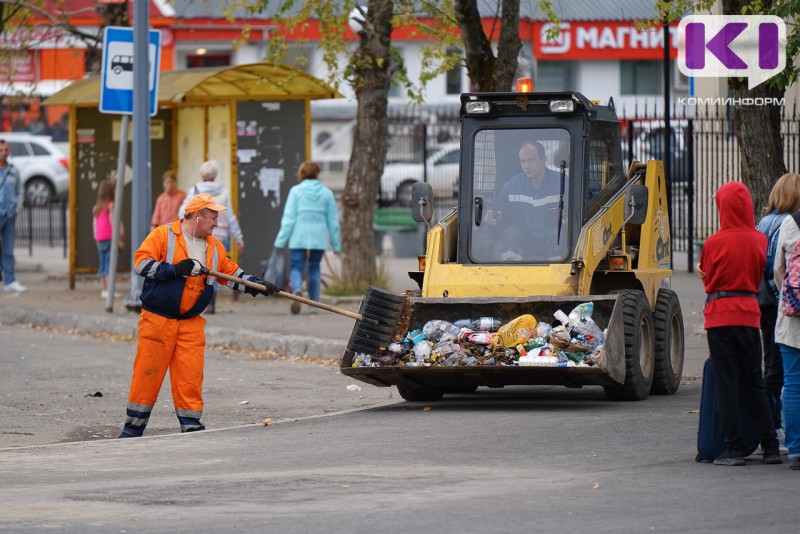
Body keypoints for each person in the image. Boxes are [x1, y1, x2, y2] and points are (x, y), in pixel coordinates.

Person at [118, 193, 277, 438]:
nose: (217, 223)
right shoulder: (164, 235)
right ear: (197, 216)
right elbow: (140, 264)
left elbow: (230, 273)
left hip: (190, 323)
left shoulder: (213, 247)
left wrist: (259, 285)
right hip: (157, 321)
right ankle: (132, 429)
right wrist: (172, 270)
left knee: (190, 378)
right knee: (147, 375)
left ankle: (191, 426)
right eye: (213, 218)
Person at [697, 181, 781, 466]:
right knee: (754, 382)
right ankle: (770, 446)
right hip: (749, 313)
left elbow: (709, 280)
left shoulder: (713, 242)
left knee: (727, 383)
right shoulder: (759, 239)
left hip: (720, 316)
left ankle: (734, 447)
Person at [756, 172, 800, 446]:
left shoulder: (763, 222)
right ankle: (771, 427)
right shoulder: (789, 222)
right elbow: (779, 271)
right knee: (781, 370)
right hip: (782, 303)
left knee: (770, 363)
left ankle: (770, 424)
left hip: (764, 302)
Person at [273, 161, 341, 315]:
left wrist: (280, 241)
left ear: (301, 174)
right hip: (319, 237)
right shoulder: (327, 193)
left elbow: (289, 218)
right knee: (314, 268)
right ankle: (313, 303)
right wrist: (336, 245)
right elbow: (333, 222)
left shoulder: (295, 192)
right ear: (317, 174)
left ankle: (297, 289)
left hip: (299, 235)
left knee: (296, 266)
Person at [178, 160, 245, 313]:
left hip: (200, 234)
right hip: (220, 236)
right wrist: (239, 238)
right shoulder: (224, 192)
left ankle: (197, 301)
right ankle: (211, 303)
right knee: (214, 268)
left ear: (202, 174)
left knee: (201, 267)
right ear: (215, 175)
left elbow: (183, 211)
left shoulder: (194, 190)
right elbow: (231, 217)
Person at [485, 140, 567, 260]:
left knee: (560, 236)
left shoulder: (563, 183)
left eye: (531, 160)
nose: (526, 166)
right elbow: (501, 215)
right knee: (510, 233)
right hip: (524, 243)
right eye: (523, 161)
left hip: (552, 242)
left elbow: (574, 216)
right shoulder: (512, 186)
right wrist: (493, 217)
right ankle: (510, 273)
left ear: (543, 159)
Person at [774, 202, 800, 470]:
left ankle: (796, 450)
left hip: (793, 322)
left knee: (793, 385)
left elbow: (778, 270)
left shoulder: (790, 223)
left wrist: (791, 297)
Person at [0, 139, 26, 293]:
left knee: (8, 249)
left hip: (9, 214)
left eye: (6, 150)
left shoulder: (14, 171)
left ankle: (10, 281)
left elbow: (20, 190)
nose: (4, 153)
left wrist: (17, 206)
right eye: (1, 150)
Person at [92, 180, 124, 298]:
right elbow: (114, 221)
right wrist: (120, 236)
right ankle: (110, 291)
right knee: (110, 264)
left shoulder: (97, 207)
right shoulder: (111, 205)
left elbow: (94, 224)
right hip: (111, 238)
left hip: (100, 239)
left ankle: (104, 289)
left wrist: (96, 237)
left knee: (103, 264)